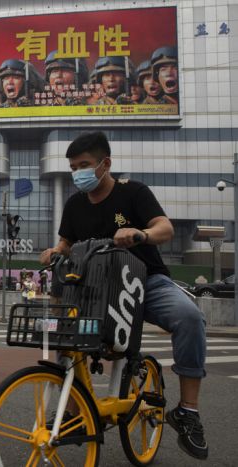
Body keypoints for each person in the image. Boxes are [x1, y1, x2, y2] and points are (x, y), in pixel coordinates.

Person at [40, 131, 208, 460]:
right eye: (73, 167)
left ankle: (188, 412)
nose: (78, 174)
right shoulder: (74, 204)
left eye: (84, 165)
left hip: (146, 282)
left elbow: (165, 228)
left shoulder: (133, 192)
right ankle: (74, 415)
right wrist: (54, 251)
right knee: (62, 335)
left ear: (106, 164)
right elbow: (66, 244)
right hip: (96, 291)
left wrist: (140, 233)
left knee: (189, 318)